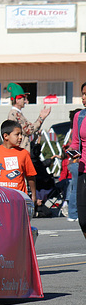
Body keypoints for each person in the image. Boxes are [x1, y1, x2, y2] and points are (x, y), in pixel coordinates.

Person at [6, 82, 51, 152]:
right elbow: (28, 130)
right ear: (17, 100)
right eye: (24, 99)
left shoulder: (16, 114)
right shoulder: (15, 114)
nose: (26, 101)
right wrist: (41, 118)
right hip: (20, 151)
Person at [70, 82, 86, 238]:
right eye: (83, 93)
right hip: (83, 170)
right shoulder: (79, 116)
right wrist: (70, 151)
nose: (83, 97)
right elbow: (75, 142)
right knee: (83, 221)